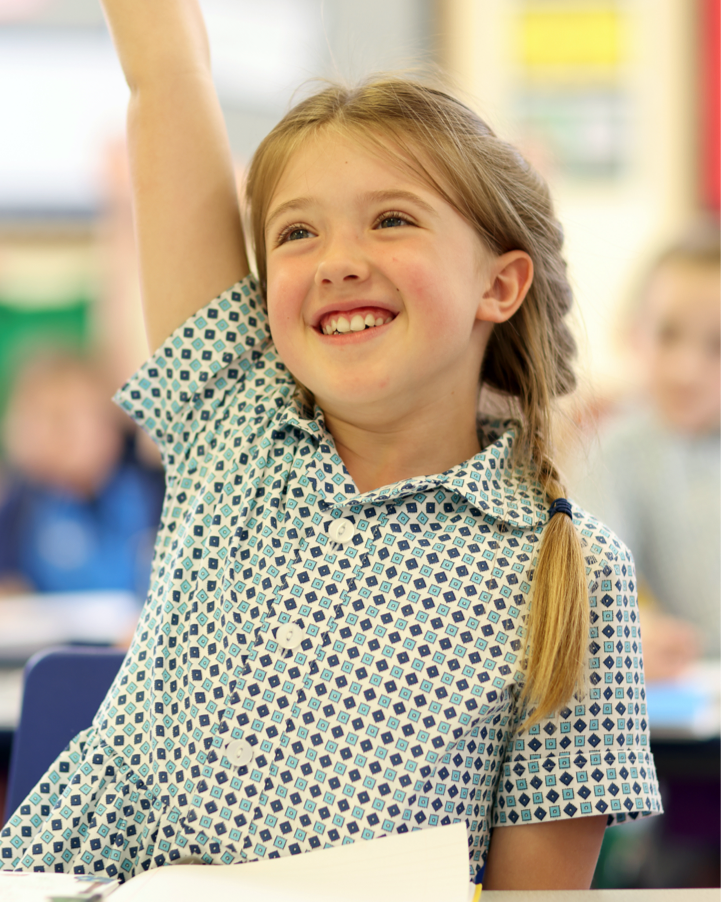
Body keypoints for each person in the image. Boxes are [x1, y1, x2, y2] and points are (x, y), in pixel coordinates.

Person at [0, 1, 661, 889]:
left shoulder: (570, 571)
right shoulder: (233, 410)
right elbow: (167, 78)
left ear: (499, 284)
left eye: (391, 219)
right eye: (297, 232)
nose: (337, 258)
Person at [574, 224, 721, 677]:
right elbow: (582, 581)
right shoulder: (619, 448)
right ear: (634, 332)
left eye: (717, 346)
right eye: (668, 335)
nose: (686, 369)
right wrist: (631, 629)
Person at [0, 352, 165, 598]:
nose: (54, 438)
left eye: (65, 420)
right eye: (40, 421)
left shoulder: (149, 483)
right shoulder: (23, 503)